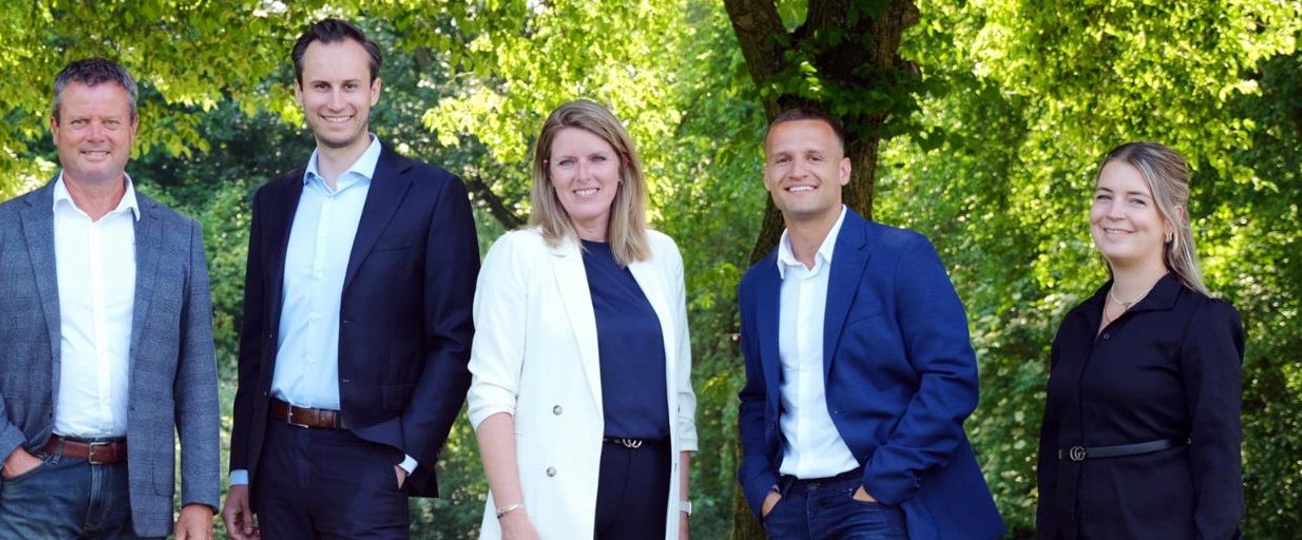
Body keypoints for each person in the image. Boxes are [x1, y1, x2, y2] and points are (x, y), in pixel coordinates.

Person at [0, 57, 221, 540]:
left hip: (140, 496)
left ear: (132, 127)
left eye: (110, 121)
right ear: (54, 127)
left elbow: (196, 378)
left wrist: (198, 499)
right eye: (79, 121)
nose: (96, 135)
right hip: (33, 484)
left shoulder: (179, 237)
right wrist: (9, 456)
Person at [222, 18, 481, 540]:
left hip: (371, 460)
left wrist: (410, 452)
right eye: (320, 85)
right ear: (299, 92)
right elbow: (256, 344)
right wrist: (243, 469)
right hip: (275, 456)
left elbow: (456, 339)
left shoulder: (431, 195)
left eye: (349, 85)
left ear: (374, 91)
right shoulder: (273, 203)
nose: (335, 100)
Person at [734, 108, 1003, 539]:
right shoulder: (758, 285)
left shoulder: (899, 256)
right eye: (782, 159)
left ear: (843, 170)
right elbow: (757, 397)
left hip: (875, 502)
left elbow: (950, 378)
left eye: (814, 157)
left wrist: (883, 483)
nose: (797, 170)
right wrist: (761, 487)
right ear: (767, 175)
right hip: (789, 508)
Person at [466, 100, 696, 540]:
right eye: (567, 162)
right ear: (548, 173)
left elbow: (680, 399)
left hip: (652, 486)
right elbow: (491, 395)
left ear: (622, 166)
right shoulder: (518, 255)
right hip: (557, 489)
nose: (583, 175)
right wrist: (511, 514)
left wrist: (680, 512)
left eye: (597, 159)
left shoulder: (662, 255)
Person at [1036, 142, 1243, 539]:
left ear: (1170, 221)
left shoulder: (1203, 321)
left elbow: (1219, 461)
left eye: (1136, 200)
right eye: (1104, 196)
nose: (1114, 213)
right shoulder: (1076, 325)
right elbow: (1052, 453)